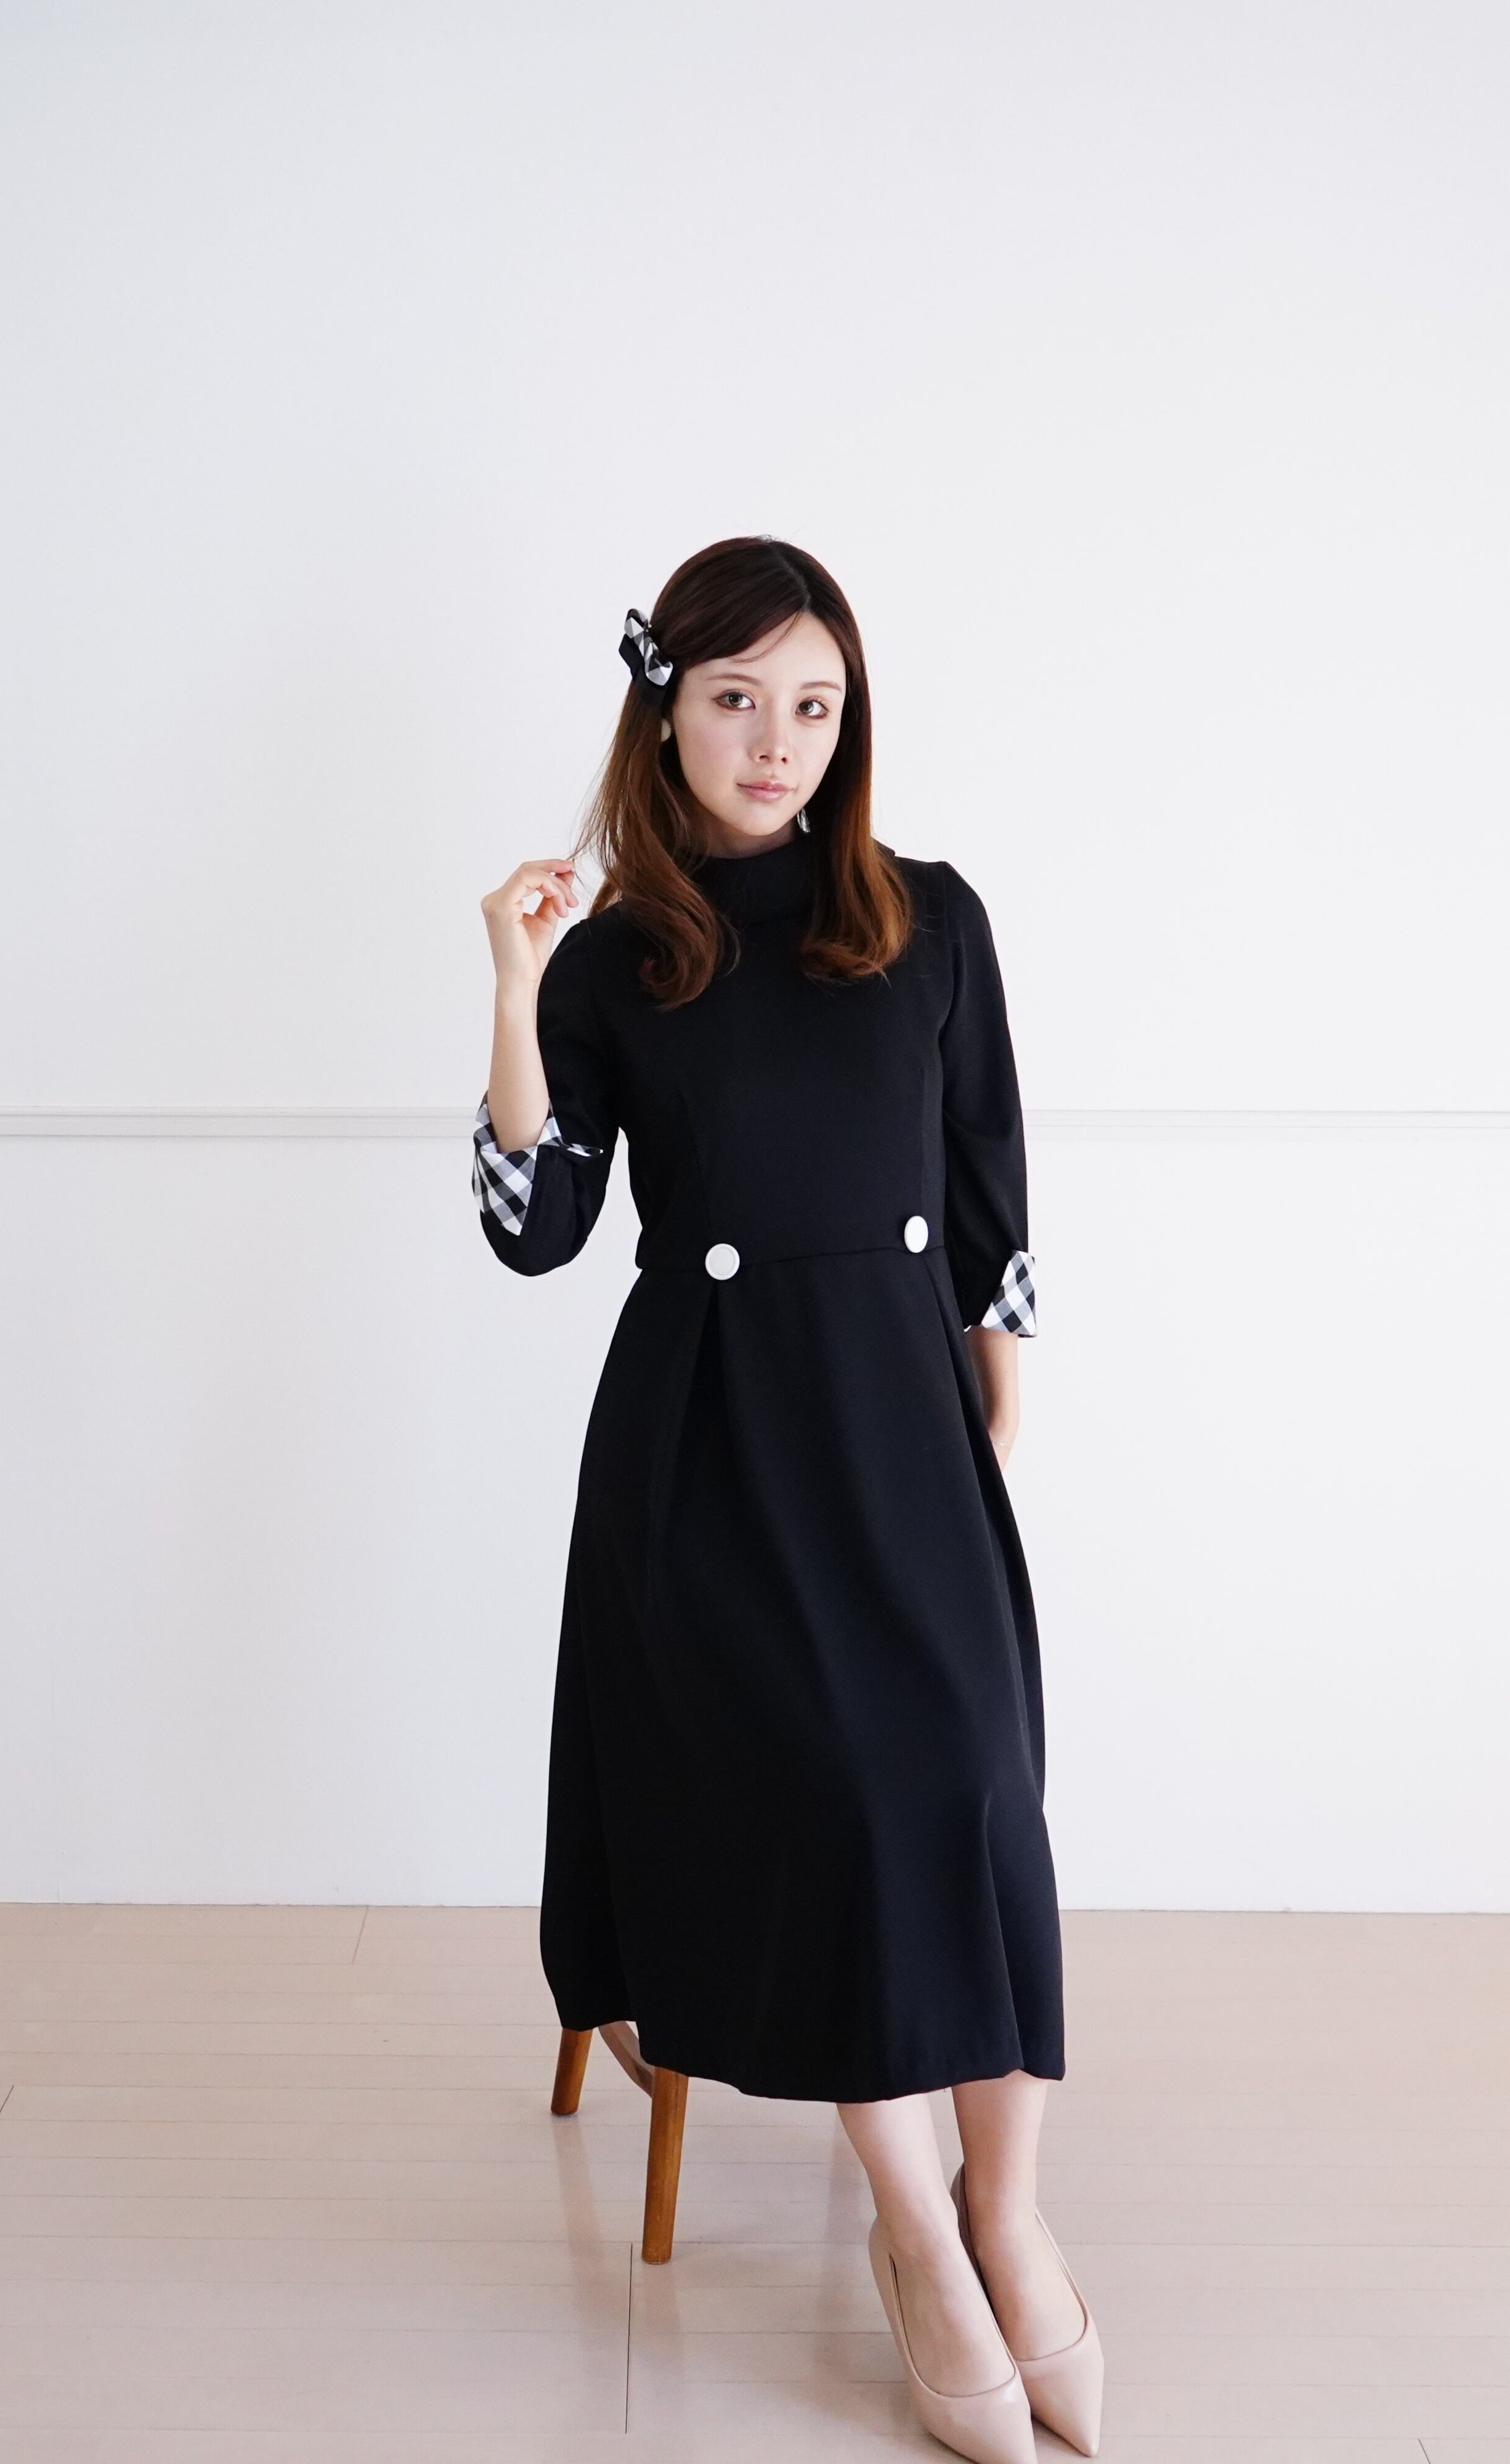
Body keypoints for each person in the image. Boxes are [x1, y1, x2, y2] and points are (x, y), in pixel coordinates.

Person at [473, 537, 1102, 2464]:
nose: (776, 741)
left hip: (904, 1426)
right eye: (739, 699)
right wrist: (513, 986)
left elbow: (986, 1181)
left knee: (977, 1783)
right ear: (666, 710)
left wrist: (994, 1389)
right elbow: (535, 1229)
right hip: (714, 1451)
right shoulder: (617, 959)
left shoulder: (930, 918)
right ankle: (917, 2237)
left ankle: (1008, 2212)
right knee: (838, 1795)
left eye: (813, 706)